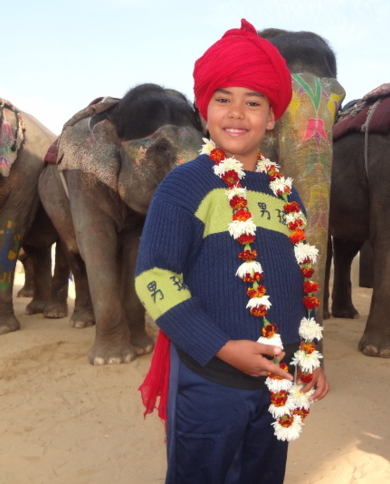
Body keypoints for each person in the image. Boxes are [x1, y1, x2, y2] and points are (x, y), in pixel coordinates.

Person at [134, 19, 328, 484]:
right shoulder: (185, 184)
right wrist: (220, 347)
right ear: (205, 110)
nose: (237, 113)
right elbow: (154, 277)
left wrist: (311, 354)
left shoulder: (287, 195)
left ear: (272, 116)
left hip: (277, 381)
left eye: (253, 102)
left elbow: (301, 282)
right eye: (224, 99)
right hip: (209, 380)